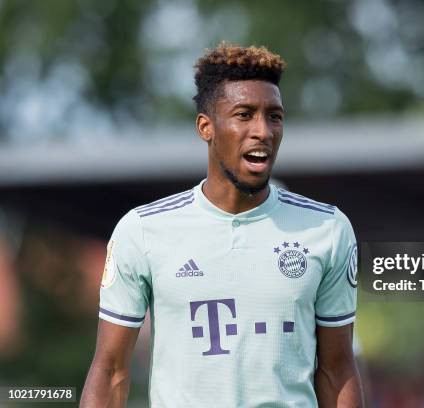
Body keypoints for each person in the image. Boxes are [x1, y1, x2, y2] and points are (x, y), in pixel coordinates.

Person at [81, 43, 363, 407]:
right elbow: (111, 373)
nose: (263, 130)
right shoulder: (143, 231)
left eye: (274, 116)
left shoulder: (327, 229)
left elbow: (337, 371)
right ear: (206, 127)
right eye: (244, 115)